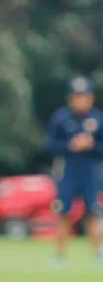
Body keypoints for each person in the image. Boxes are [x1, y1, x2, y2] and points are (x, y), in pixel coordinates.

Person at [47, 76, 103, 264]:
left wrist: (91, 145)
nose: (80, 100)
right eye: (77, 96)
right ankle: (59, 255)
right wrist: (70, 145)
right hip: (67, 171)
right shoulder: (61, 118)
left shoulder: (97, 118)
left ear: (91, 98)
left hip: (90, 171)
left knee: (92, 212)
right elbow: (50, 145)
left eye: (84, 96)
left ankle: (98, 254)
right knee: (64, 212)